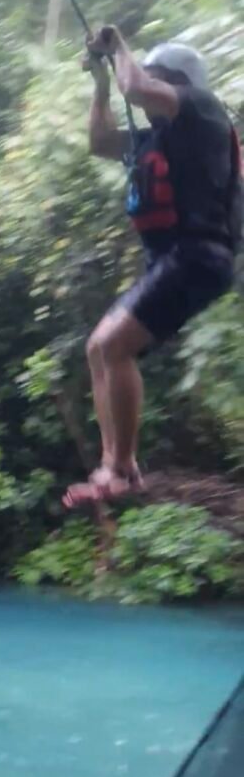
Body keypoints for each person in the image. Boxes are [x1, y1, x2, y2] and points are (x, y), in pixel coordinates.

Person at [63, 26, 241, 509]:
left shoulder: (203, 110)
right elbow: (101, 141)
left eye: (158, 76)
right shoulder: (156, 139)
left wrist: (118, 45)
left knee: (113, 346)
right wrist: (101, 82)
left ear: (180, 82)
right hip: (174, 259)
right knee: (99, 349)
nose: (149, 84)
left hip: (198, 254)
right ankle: (114, 466)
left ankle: (122, 471)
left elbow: (137, 87)